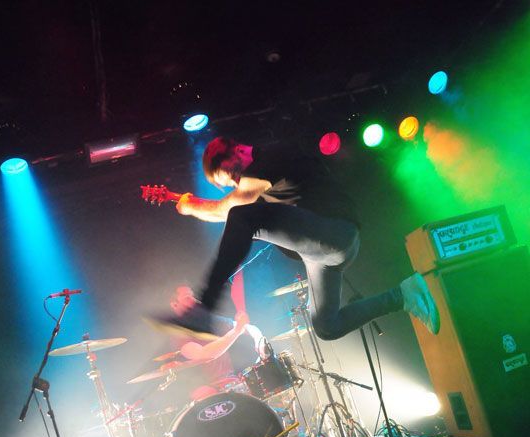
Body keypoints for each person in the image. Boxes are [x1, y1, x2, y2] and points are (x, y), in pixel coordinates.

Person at [161, 137, 440, 340]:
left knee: (242, 216)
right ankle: (403, 295)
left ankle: (204, 307)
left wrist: (190, 206)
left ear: (240, 150)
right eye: (231, 183)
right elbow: (229, 209)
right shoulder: (260, 181)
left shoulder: (270, 157)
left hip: (334, 232)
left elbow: (230, 208)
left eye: (233, 174)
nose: (236, 183)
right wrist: (190, 204)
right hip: (323, 254)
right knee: (327, 327)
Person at [165, 284, 263, 401]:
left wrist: (259, 341)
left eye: (193, 296)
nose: (194, 300)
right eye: (187, 298)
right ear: (174, 305)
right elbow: (205, 354)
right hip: (206, 393)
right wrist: (237, 330)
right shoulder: (178, 334)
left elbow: (249, 328)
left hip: (231, 381)